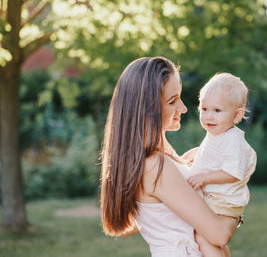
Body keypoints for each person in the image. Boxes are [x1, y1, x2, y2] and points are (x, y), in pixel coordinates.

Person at [100, 57, 238, 257]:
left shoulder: (157, 161)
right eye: (172, 101)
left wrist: (184, 170)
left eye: (179, 97)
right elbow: (219, 235)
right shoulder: (155, 166)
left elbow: (155, 213)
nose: (182, 108)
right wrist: (237, 199)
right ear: (147, 109)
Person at [183, 73, 257, 257]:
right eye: (204, 108)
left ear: (237, 115)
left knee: (202, 237)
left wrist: (204, 177)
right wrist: (188, 156)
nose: (209, 116)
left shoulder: (233, 141)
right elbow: (208, 153)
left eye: (217, 110)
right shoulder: (219, 134)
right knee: (212, 242)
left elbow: (233, 172)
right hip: (215, 200)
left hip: (222, 203)